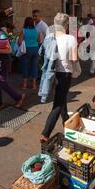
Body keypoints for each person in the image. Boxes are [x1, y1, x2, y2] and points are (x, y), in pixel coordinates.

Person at [40, 13, 79, 143]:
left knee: (61, 97)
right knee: (57, 103)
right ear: (66, 25)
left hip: (51, 73)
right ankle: (45, 133)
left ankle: (66, 120)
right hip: (64, 73)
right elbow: (74, 59)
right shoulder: (70, 39)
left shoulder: (49, 37)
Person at [0, 14, 25, 111]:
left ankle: (19, 97)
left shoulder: (1, 34)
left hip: (3, 62)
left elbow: (9, 50)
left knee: (2, 82)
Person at [18, 17, 42, 89]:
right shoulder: (36, 30)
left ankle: (25, 84)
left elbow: (19, 42)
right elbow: (39, 40)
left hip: (27, 50)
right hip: (35, 49)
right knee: (34, 66)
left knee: (25, 66)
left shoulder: (24, 31)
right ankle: (34, 85)